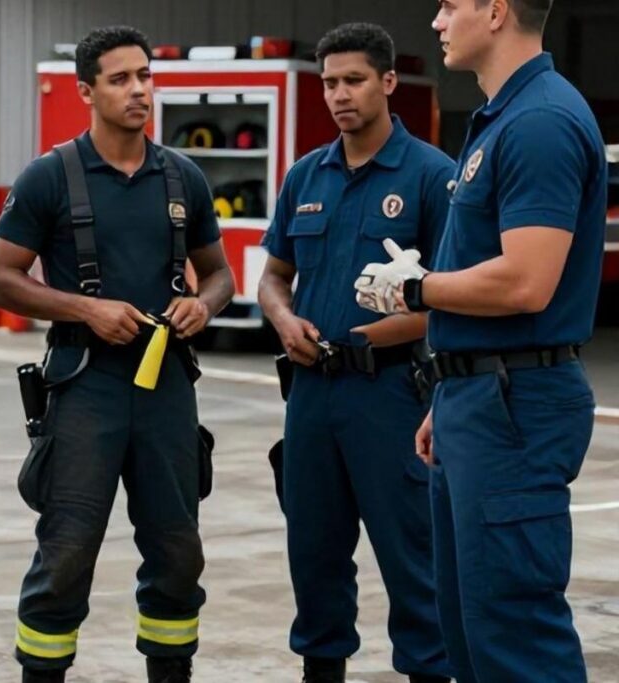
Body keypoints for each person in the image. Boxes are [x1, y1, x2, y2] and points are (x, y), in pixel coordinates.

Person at [355, 1, 606, 680]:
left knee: (515, 636)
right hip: (480, 394)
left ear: (495, 11)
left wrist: (414, 290)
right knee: (471, 631)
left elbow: (527, 282)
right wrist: (452, 386)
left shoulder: (539, 123)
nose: (436, 21)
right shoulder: (500, 119)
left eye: (449, 5)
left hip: (514, 407)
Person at [0, 25, 233, 683]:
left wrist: (202, 305)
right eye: (120, 78)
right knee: (65, 554)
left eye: (145, 76)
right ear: (86, 90)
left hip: (167, 387)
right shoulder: (49, 177)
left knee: (178, 553)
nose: (138, 90)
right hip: (84, 387)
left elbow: (220, 275)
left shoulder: (184, 177)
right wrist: (86, 308)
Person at [257, 23, 455, 683]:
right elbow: (273, 274)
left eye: (354, 80)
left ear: (388, 82)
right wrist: (283, 319)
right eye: (330, 82)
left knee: (413, 561)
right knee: (313, 557)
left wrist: (371, 336)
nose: (339, 95)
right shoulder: (305, 175)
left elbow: (453, 297)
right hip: (311, 398)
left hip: (392, 395)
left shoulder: (433, 177)